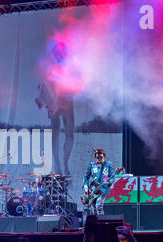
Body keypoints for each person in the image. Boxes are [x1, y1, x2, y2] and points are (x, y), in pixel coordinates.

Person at [35, 42, 74, 175]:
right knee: (56, 133)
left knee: (69, 135)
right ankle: (58, 165)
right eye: (58, 52)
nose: (60, 55)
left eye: (62, 52)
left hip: (66, 103)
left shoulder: (70, 68)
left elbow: (75, 85)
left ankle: (64, 163)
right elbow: (45, 84)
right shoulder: (51, 69)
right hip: (54, 104)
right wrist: (43, 99)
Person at [82, 148, 115, 215]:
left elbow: (112, 176)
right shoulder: (92, 165)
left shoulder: (108, 164)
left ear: (103, 156)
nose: (99, 159)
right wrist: (86, 186)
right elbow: (86, 176)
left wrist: (108, 182)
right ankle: (95, 222)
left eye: (101, 157)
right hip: (93, 189)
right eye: (97, 157)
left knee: (98, 205)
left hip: (103, 188)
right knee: (93, 207)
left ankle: (101, 222)